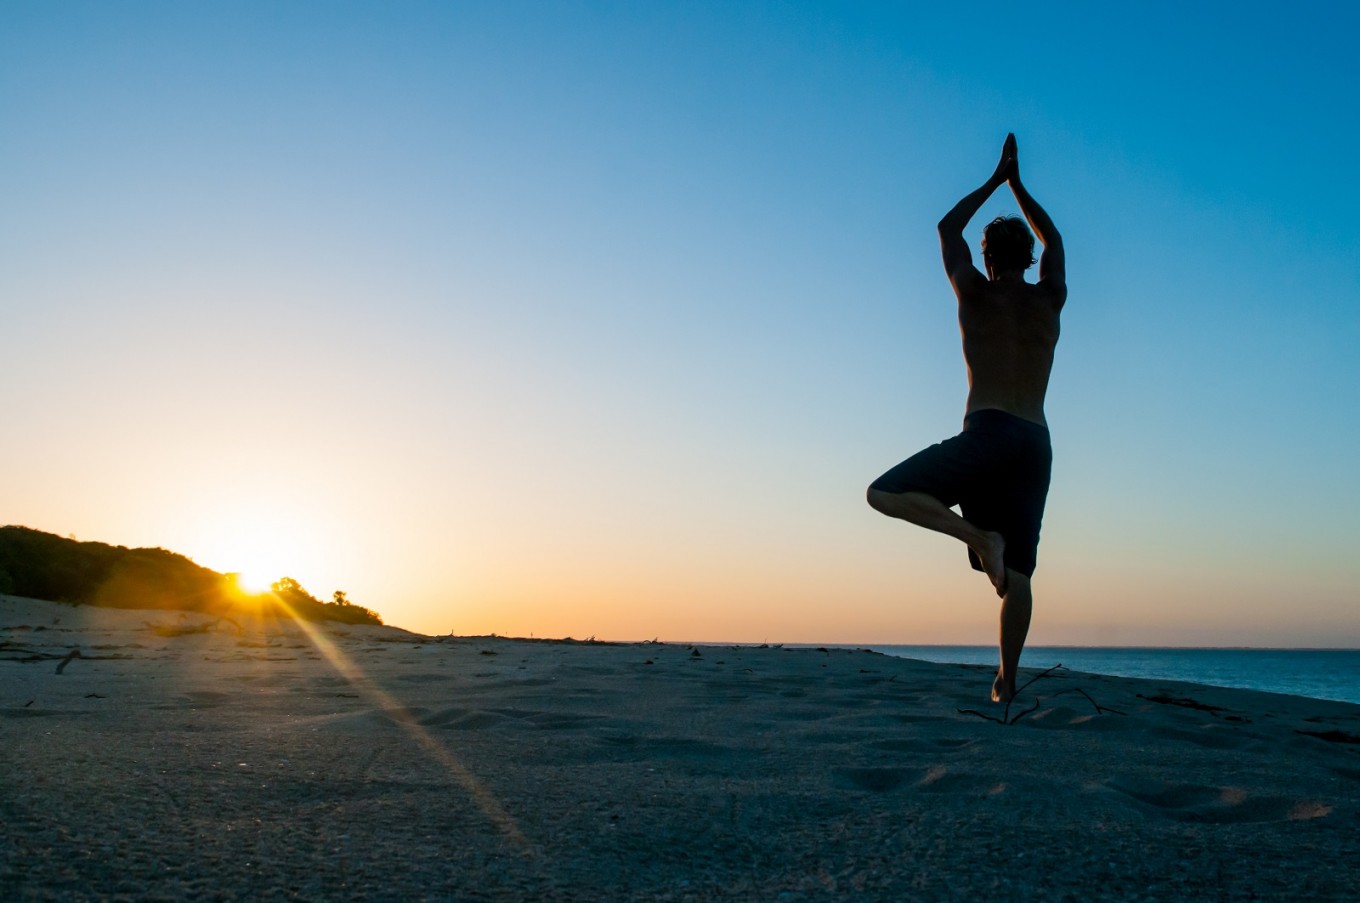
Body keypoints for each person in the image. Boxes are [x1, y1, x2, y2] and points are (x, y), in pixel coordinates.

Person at [866, 133, 1066, 702]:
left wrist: (994, 179)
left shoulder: (974, 294)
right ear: (1028, 259)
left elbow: (946, 229)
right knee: (1020, 577)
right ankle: (1008, 679)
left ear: (985, 258)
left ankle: (979, 537)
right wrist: (1021, 186)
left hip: (988, 433)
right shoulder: (1050, 298)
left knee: (885, 493)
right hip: (1035, 441)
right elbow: (1054, 237)